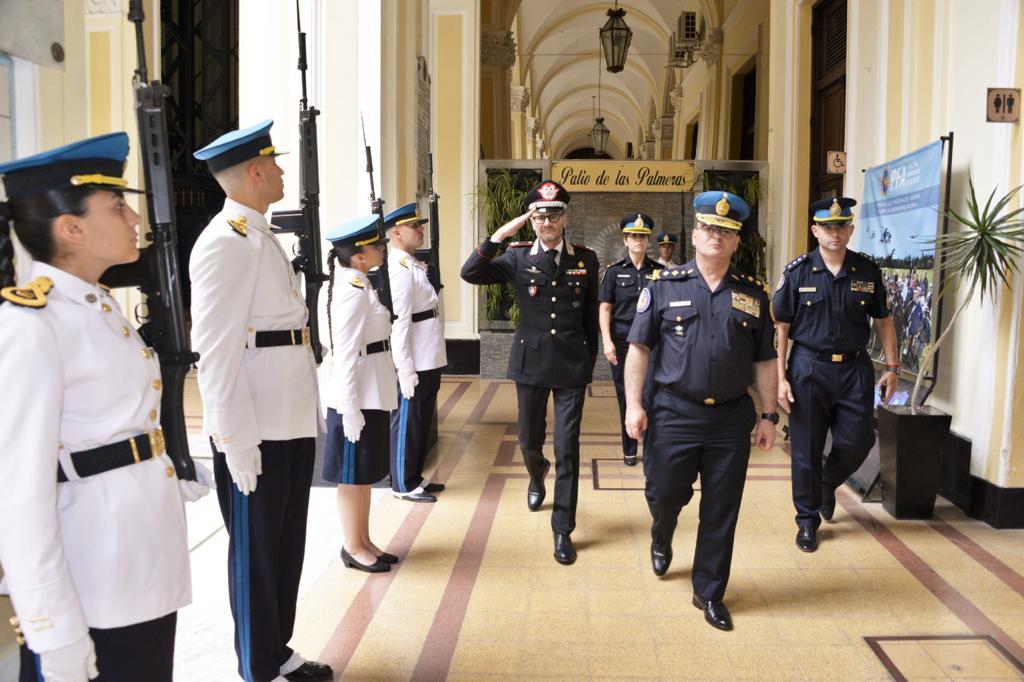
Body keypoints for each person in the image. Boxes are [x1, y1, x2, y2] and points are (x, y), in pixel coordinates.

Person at [0, 133, 213, 682]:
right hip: (90, 573)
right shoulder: (33, 323)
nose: (135, 216)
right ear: (70, 228)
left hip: (134, 560)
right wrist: (50, 625)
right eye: (117, 205)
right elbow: (20, 493)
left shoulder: (95, 306)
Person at [189, 120, 332, 682]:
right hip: (257, 429)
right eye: (273, 163)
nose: (279, 171)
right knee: (255, 556)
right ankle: (258, 665)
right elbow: (216, 352)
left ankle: (276, 648)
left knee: (284, 546)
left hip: (288, 419)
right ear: (253, 171)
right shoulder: (225, 242)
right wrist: (234, 441)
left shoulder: (259, 234)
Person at [624, 191, 777, 631]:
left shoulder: (753, 294)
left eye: (726, 231)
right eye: (710, 228)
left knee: (722, 509)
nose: (717, 236)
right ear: (695, 234)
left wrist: (769, 414)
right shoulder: (664, 286)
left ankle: (709, 592)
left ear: (736, 242)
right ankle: (662, 529)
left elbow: (765, 358)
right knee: (664, 493)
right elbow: (639, 349)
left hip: (730, 418)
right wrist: (634, 405)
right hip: (673, 412)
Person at [461, 179, 599, 565]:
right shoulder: (517, 257)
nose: (547, 222)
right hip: (531, 363)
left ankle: (563, 530)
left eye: (554, 215)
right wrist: (503, 233)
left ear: (565, 218)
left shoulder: (585, 259)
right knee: (529, 440)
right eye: (539, 216)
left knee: (568, 448)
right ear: (531, 219)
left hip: (571, 363)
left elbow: (590, 318)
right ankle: (537, 475)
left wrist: (588, 366)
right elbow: (470, 272)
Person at [773, 197, 899, 553]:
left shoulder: (866, 271)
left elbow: (884, 321)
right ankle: (807, 522)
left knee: (860, 440)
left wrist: (891, 368)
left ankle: (827, 481)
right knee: (806, 449)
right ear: (815, 230)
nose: (834, 232)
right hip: (808, 368)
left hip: (855, 369)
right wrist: (781, 377)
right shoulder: (797, 272)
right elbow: (781, 327)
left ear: (850, 230)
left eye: (841, 226)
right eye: (827, 226)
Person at [321, 214, 399, 572]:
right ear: (359, 256)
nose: (382, 249)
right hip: (357, 397)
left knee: (364, 474)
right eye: (375, 246)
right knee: (353, 476)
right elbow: (347, 351)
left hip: (371, 391)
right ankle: (352, 546)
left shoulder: (360, 283)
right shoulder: (351, 291)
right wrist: (350, 407)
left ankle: (363, 539)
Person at [384, 202, 448, 503]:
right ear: (396, 233)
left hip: (428, 354)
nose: (421, 230)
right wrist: (405, 368)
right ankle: (402, 484)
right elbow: (400, 322)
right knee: (408, 420)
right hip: (415, 358)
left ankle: (413, 476)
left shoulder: (411, 264)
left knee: (421, 420)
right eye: (414, 226)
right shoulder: (398, 270)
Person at [598, 213, 663, 466]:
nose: (639, 240)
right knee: (626, 395)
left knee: (652, 394)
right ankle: (629, 447)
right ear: (625, 240)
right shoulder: (614, 273)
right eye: (634, 236)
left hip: (652, 342)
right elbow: (605, 309)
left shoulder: (658, 272)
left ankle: (650, 446)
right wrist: (607, 341)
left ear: (648, 242)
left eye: (643, 236)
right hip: (623, 341)